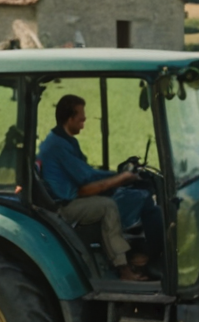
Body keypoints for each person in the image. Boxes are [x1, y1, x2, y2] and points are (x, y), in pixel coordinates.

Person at [38, 94, 162, 282]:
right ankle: (124, 267)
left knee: (133, 196)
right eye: (81, 118)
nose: (84, 122)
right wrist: (120, 177)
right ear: (69, 119)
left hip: (73, 196)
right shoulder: (58, 146)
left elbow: (87, 172)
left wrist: (118, 174)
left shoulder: (65, 140)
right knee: (108, 206)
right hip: (64, 206)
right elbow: (86, 176)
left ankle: (147, 253)